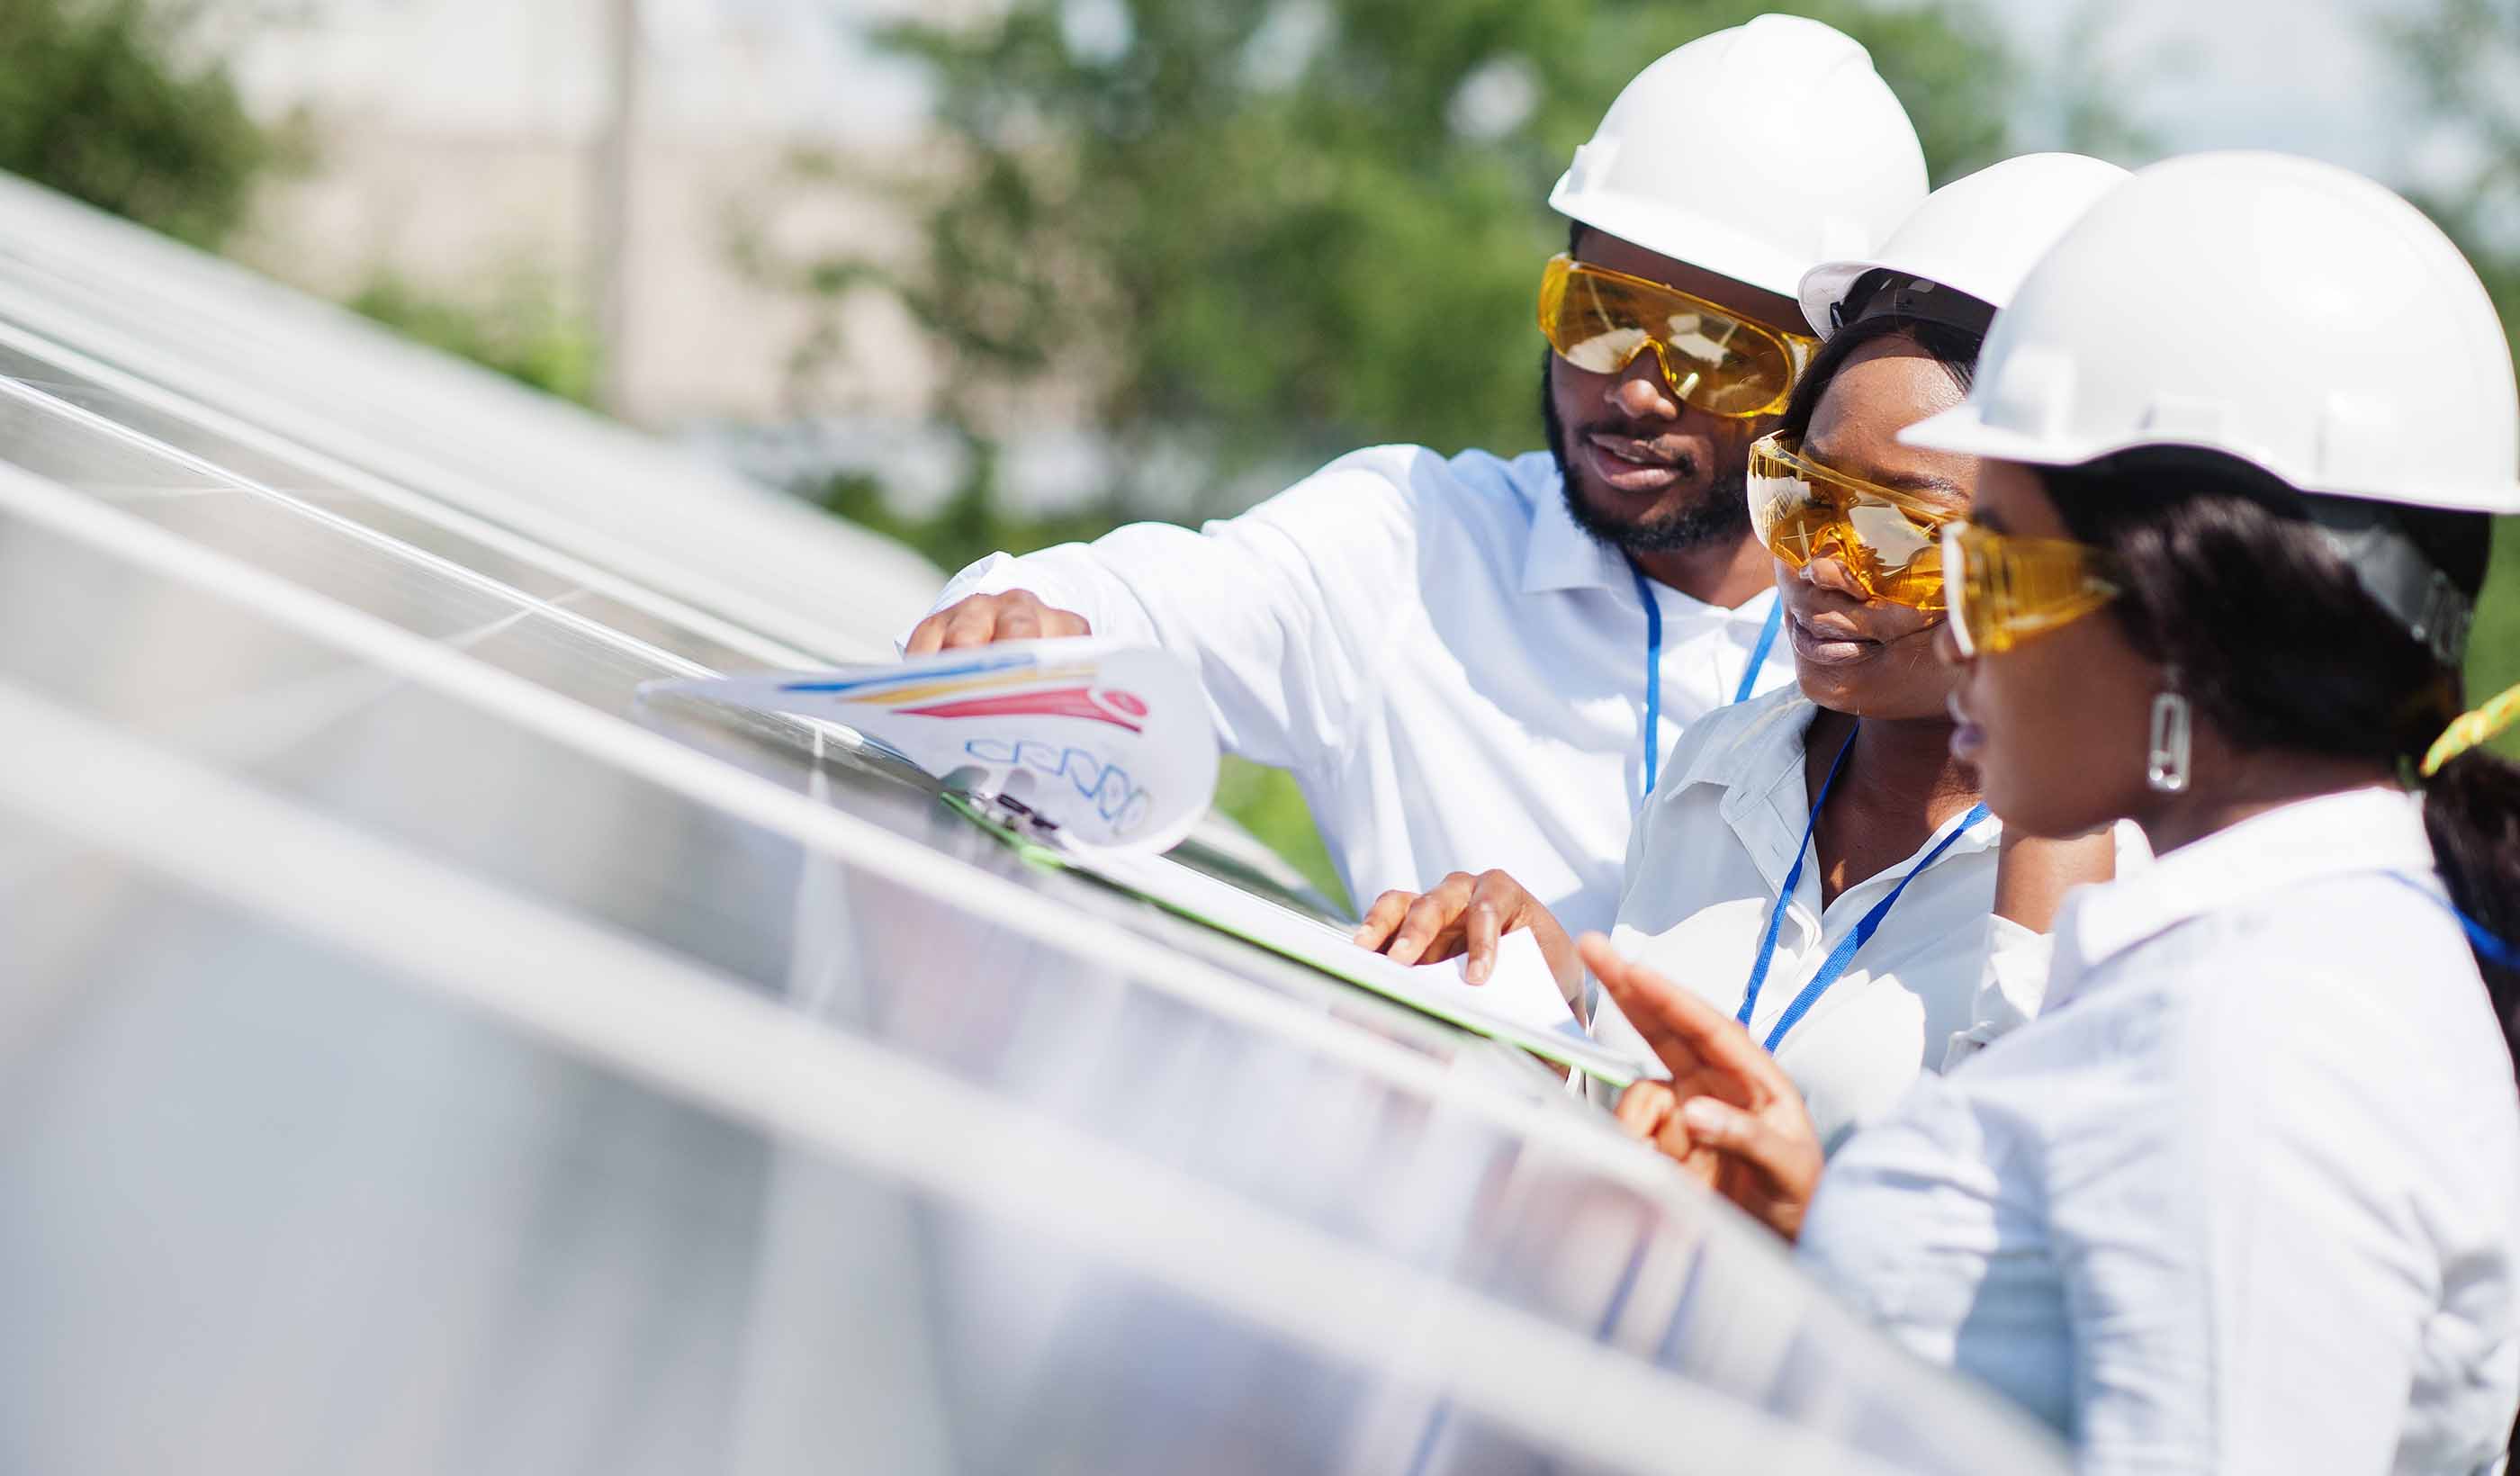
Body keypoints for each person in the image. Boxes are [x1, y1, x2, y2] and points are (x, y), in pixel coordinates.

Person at [1593, 151, 2520, 1470]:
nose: (1956, 629)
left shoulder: (2265, 1038)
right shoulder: (2252, 969)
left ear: (2186, 607)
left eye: (1992, 565)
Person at [901, 15, 1929, 937]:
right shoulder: (1413, 547)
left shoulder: (1901, 654)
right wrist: (1016, 619)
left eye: (1718, 351)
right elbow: (1119, 605)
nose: (1639, 390)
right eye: (1601, 315)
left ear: (1824, 380)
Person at [1355, 155, 2131, 1152]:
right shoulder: (1717, 773)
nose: (1819, 563)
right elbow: (1636, 1138)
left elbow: (2013, 1230)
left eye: (1898, 533)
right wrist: (1550, 1021)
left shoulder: (2122, 886)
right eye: (1803, 496)